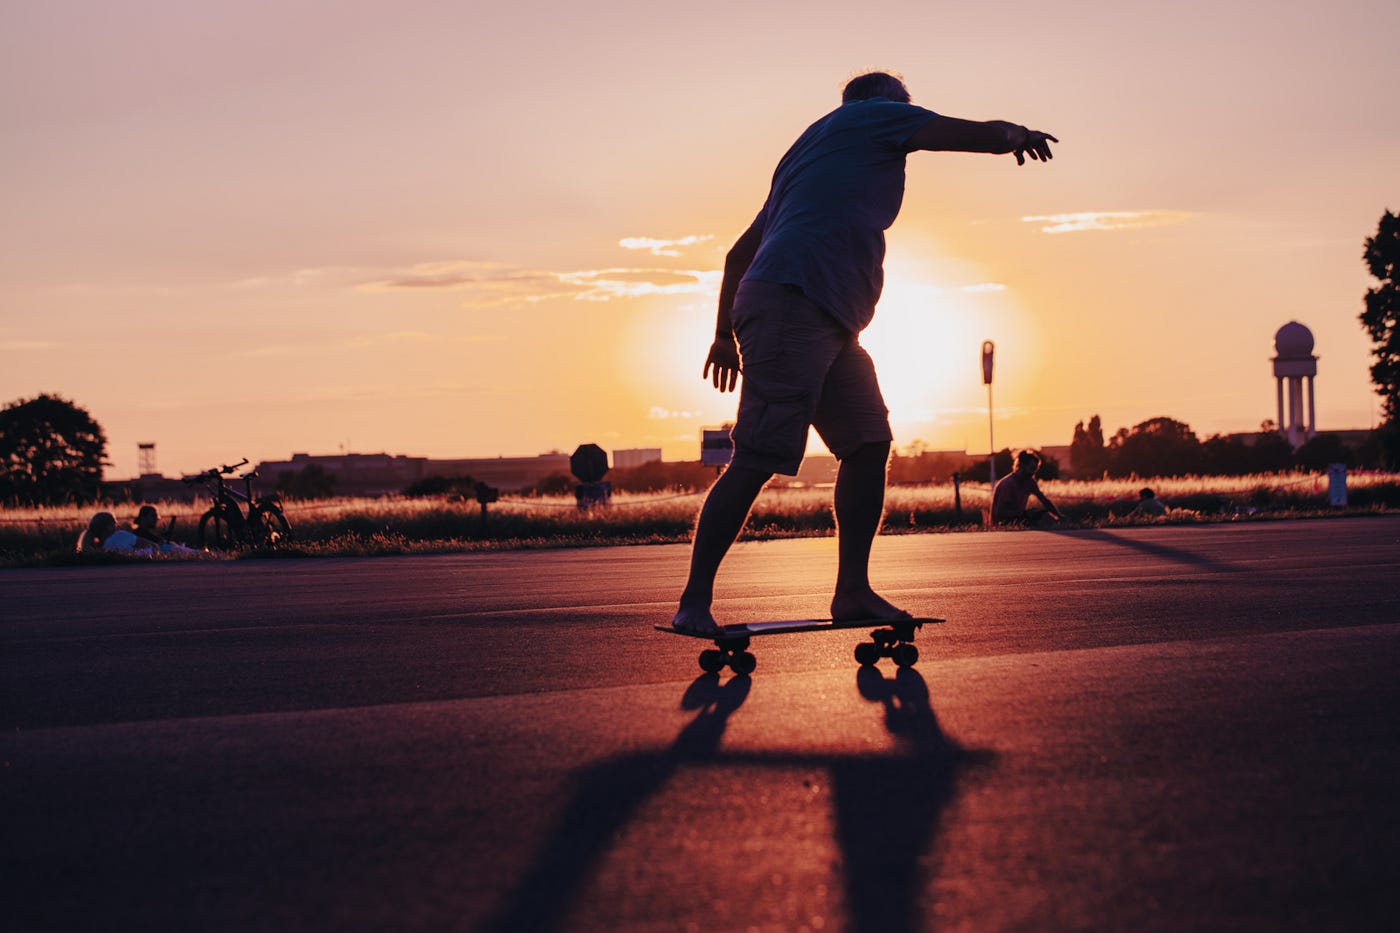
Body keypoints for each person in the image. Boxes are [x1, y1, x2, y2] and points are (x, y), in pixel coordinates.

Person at [672, 71, 1058, 634]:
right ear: (885, 103)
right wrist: (1015, 133)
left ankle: (852, 592)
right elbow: (966, 133)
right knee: (758, 455)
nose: (910, 115)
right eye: (907, 106)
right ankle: (693, 602)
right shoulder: (874, 116)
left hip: (827, 318)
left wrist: (722, 333)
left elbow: (737, 255)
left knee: (868, 443)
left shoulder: (805, 157)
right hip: (791, 303)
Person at [991, 450, 1062, 526]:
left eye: (1035, 470)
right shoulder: (1008, 484)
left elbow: (1044, 500)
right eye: (1031, 468)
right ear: (1021, 466)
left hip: (1018, 517)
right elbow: (1001, 512)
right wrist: (1024, 514)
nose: (1033, 473)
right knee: (1038, 517)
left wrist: (1059, 515)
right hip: (1003, 522)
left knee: (1043, 515)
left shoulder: (1029, 482)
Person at [77, 511, 154, 553]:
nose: (117, 526)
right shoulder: (119, 536)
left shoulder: (98, 549)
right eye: (115, 523)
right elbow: (154, 546)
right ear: (109, 527)